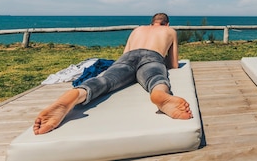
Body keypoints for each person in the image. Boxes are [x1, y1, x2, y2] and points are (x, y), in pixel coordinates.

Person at [33, 13, 193, 135]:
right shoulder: (169, 31)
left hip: (126, 58)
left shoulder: (138, 30)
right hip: (153, 56)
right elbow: (173, 64)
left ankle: (78, 93)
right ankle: (159, 94)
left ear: (151, 22)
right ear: (167, 23)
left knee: (105, 80)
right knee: (156, 77)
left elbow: (125, 53)